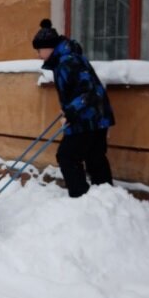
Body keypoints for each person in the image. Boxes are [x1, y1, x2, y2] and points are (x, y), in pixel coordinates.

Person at [32, 18, 115, 198]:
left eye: (39, 50)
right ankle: (106, 199)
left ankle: (80, 197)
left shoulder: (68, 61)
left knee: (67, 156)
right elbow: (79, 90)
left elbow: (89, 91)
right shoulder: (65, 59)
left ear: (49, 47)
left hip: (88, 118)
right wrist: (70, 108)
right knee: (95, 158)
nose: (38, 55)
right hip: (94, 116)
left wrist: (72, 110)